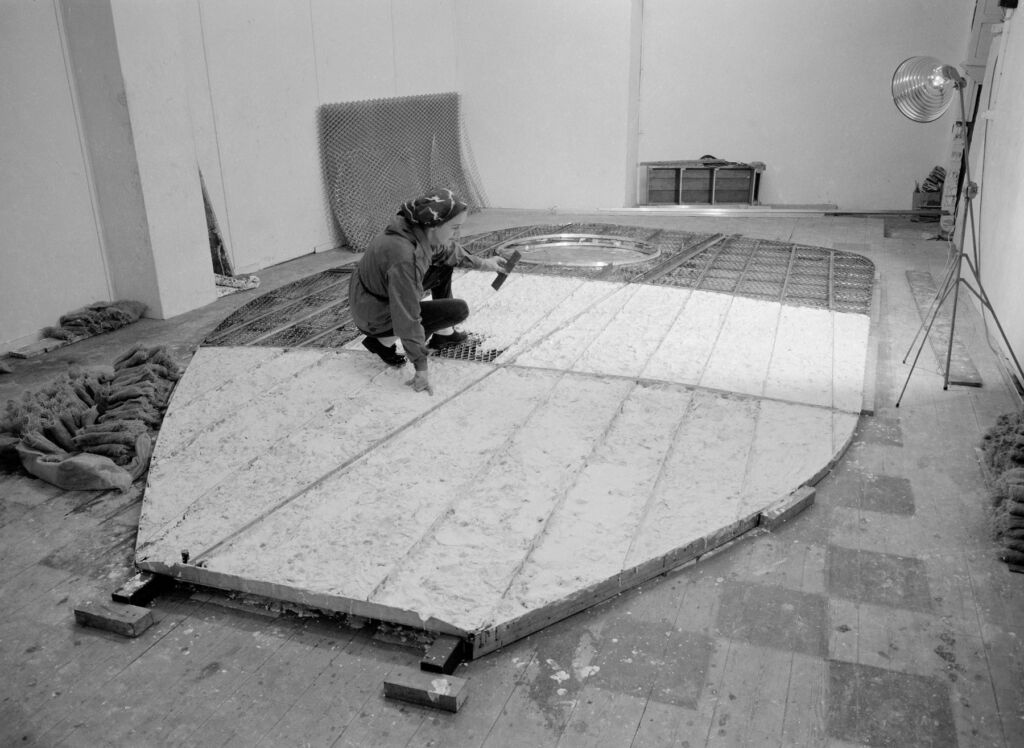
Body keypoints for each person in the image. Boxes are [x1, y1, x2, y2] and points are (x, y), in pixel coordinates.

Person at [348, 188, 506, 395]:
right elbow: (407, 315)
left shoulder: (416, 229)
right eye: (454, 228)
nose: (457, 234)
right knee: (457, 310)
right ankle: (381, 341)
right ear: (434, 227)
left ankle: (444, 334)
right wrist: (421, 368)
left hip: (371, 297)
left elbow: (449, 251)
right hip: (373, 314)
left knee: (444, 263)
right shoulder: (405, 258)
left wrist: (485, 263)